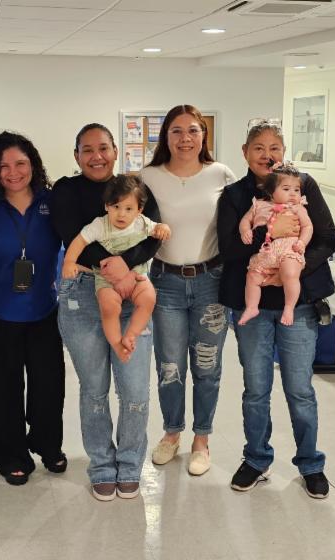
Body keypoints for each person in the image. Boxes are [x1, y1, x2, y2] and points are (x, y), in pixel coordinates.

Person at [217, 120, 335, 498]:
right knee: (256, 389)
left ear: (283, 152)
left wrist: (292, 268)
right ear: (245, 153)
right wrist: (266, 243)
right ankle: (256, 459)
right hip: (252, 304)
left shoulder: (303, 186)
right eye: (259, 148)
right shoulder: (235, 195)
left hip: (296, 305)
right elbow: (228, 248)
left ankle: (310, 463)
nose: (267, 155)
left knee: (299, 389)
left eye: (274, 148)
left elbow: (326, 239)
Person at [53, 123, 161, 501]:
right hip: (83, 294)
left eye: (103, 148)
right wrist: (111, 268)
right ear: (76, 155)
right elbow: (73, 236)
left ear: (115, 151)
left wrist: (125, 268)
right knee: (94, 389)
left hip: (132, 289)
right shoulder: (65, 190)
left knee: (135, 389)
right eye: (87, 149)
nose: (96, 156)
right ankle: (101, 464)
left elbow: (152, 236)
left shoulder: (135, 187)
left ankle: (130, 464)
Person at [139, 104, 236, 477]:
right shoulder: (148, 176)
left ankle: (201, 439)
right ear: (165, 136)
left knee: (207, 365)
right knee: (170, 366)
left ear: (203, 135)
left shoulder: (220, 174)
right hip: (165, 282)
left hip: (211, 281)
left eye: (193, 130)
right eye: (176, 131)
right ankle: (172, 432)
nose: (185, 138)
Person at [0, 131, 65, 486]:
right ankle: (11, 455)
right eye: (3, 166)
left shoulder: (51, 202)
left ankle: (47, 444)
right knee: (1, 388)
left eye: (20, 163)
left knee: (48, 384)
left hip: (43, 309)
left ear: (33, 165)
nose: (13, 172)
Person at [61, 175, 170, 362]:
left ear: (139, 210)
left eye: (128, 209)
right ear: (107, 206)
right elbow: (79, 241)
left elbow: (158, 229)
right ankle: (117, 344)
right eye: (116, 207)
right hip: (106, 279)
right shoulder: (100, 225)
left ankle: (131, 335)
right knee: (109, 307)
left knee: (149, 298)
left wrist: (164, 228)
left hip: (137, 276)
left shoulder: (142, 222)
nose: (121, 214)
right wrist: (69, 261)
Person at [236, 162, 313, 327]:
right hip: (265, 252)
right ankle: (251, 307)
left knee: (290, 274)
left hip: (289, 248)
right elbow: (245, 220)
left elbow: (308, 227)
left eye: (297, 190)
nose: (293, 194)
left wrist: (302, 242)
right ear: (271, 192)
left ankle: (289, 307)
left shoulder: (298, 208)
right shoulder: (258, 205)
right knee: (252, 277)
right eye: (286, 189)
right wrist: (245, 231)